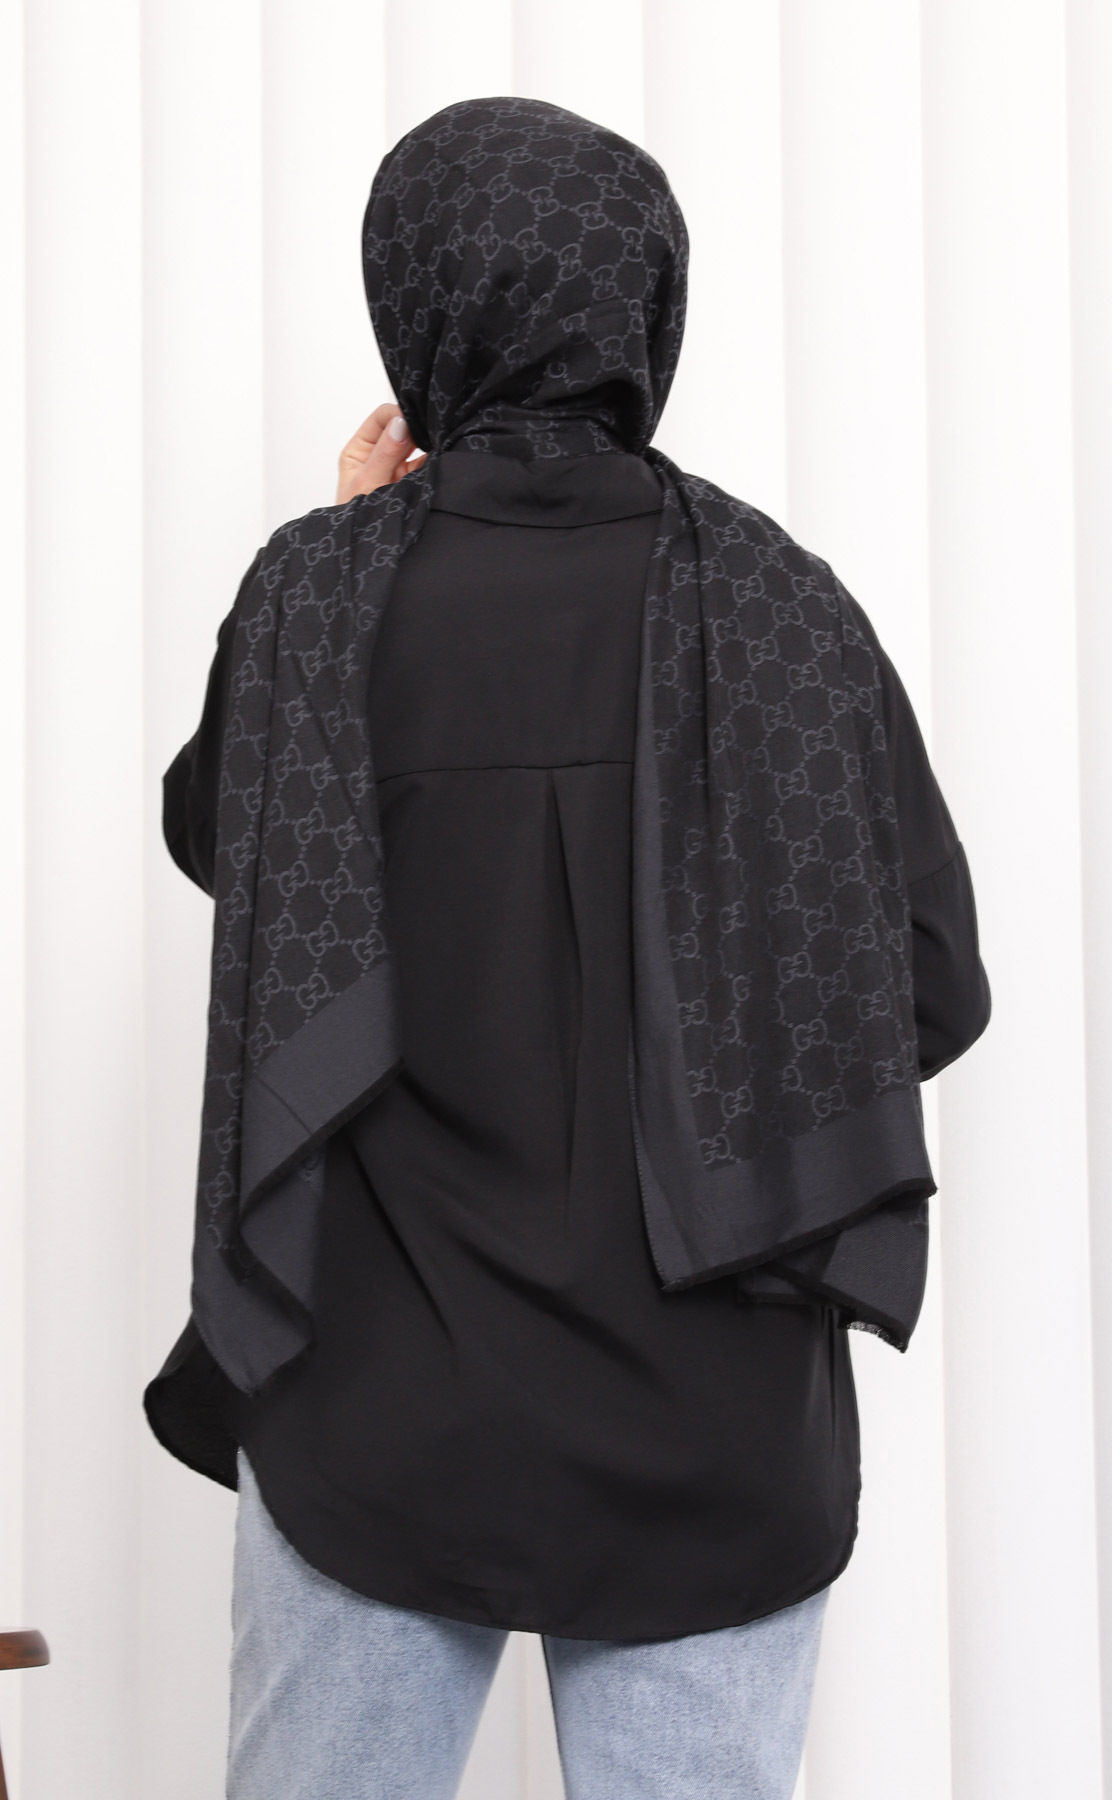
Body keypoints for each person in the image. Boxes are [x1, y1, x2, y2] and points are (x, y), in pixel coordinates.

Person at [145, 97, 990, 1800]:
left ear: (417, 300)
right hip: (715, 1412)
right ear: (644, 301)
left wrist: (343, 540)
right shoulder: (786, 608)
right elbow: (931, 986)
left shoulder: (320, 599)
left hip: (381, 1402)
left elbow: (224, 849)